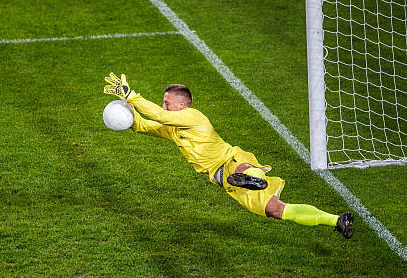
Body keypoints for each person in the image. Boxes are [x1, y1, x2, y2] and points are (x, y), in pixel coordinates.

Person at [103, 73, 354, 239]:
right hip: (223, 179)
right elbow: (148, 125)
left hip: (231, 158)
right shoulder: (173, 129)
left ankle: (255, 178)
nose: (163, 105)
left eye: (167, 102)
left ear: (183, 105)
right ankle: (337, 221)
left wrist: (131, 96)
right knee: (276, 210)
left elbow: (159, 116)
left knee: (242, 167)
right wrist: (126, 116)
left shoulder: (194, 116)